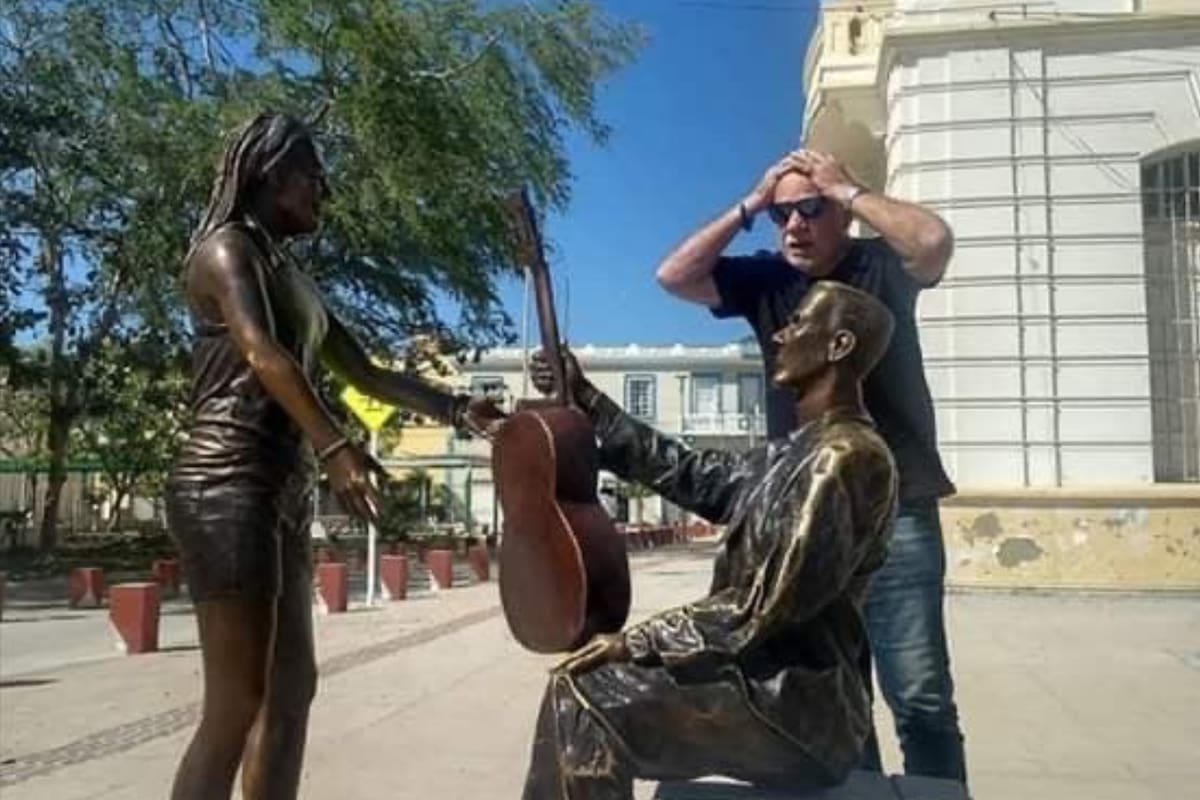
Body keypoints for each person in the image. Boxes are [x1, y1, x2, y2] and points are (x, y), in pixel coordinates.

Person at [164, 112, 495, 800]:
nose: (325, 189)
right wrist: (337, 446)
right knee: (235, 705)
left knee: (291, 693)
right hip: (224, 485)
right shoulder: (227, 252)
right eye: (314, 175)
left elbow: (367, 374)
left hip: (276, 493)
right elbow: (262, 352)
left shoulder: (294, 276)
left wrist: (459, 410)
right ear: (272, 173)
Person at [655, 148, 966, 782]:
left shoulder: (880, 266)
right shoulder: (768, 281)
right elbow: (674, 276)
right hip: (813, 517)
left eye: (809, 209)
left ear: (839, 216)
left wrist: (846, 190)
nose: (793, 225)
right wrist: (752, 200)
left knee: (920, 695)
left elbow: (933, 241)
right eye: (782, 215)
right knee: (835, 692)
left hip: (898, 509)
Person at [522, 282, 897, 799]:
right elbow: (687, 472)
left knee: (587, 698)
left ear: (839, 346)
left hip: (796, 706)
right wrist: (585, 397)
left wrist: (636, 642)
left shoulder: (847, 457)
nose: (781, 336)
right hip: (757, 681)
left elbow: (764, 604)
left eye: (799, 324)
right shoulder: (789, 453)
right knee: (579, 688)